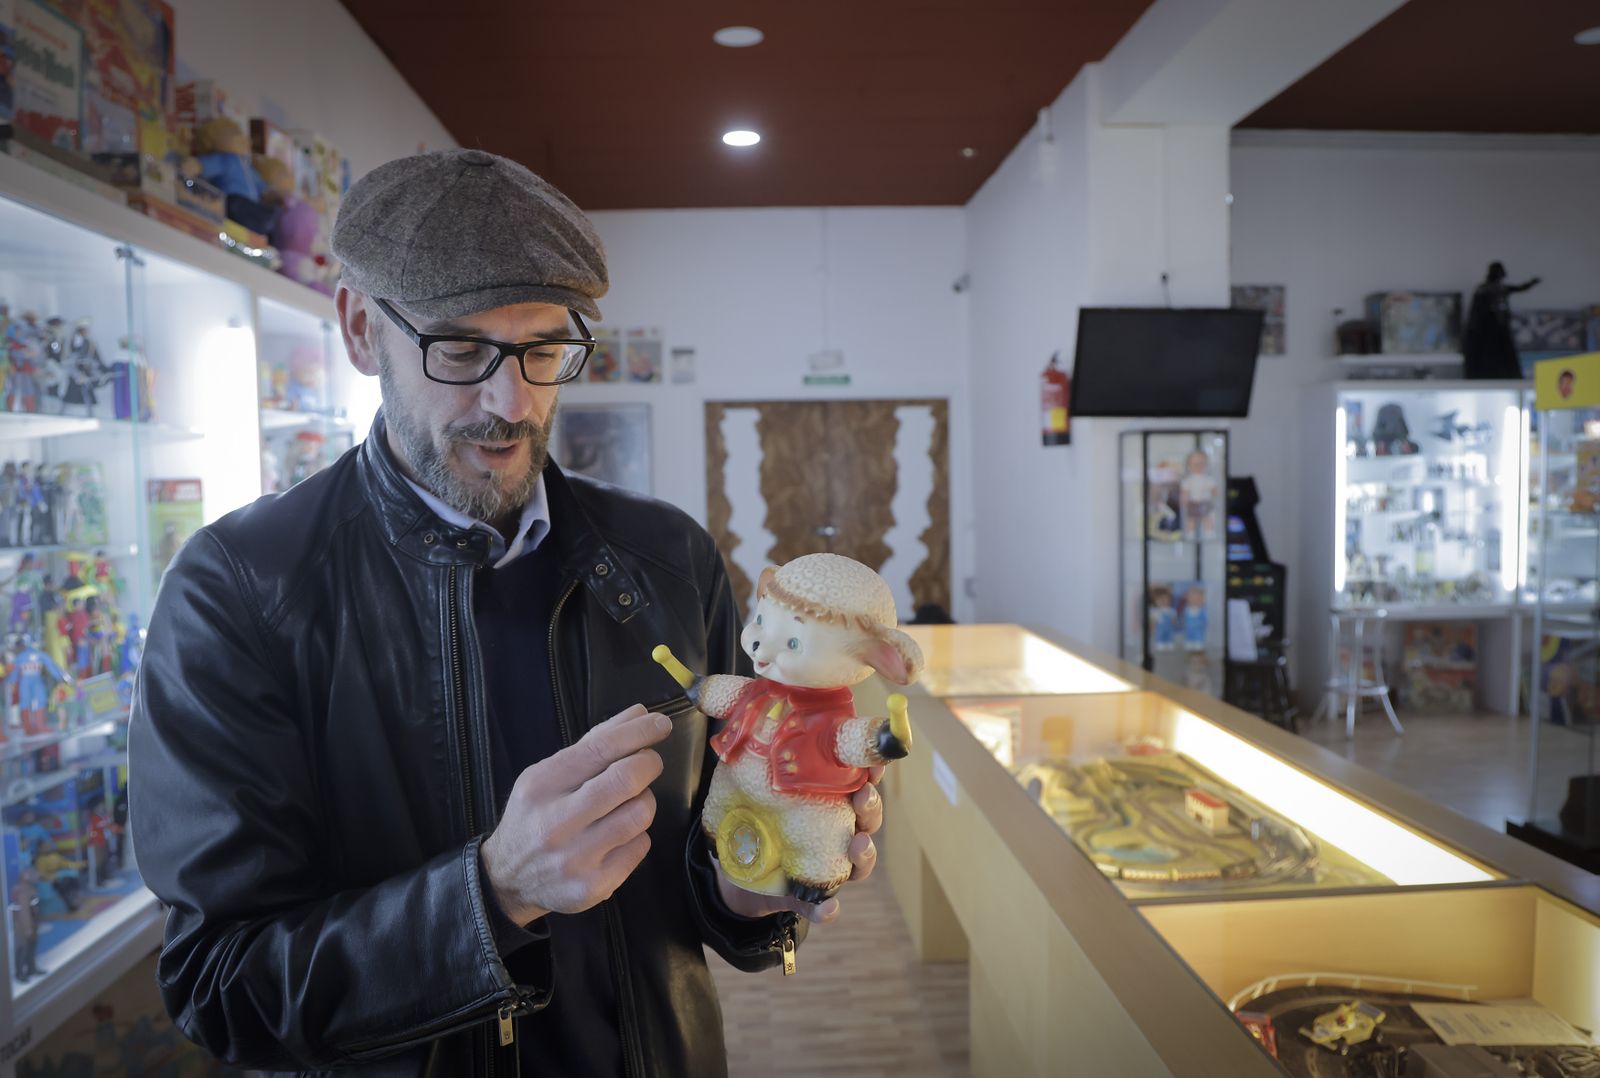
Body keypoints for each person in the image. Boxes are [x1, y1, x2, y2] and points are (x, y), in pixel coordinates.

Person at [129, 148, 886, 1076]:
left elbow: (694, 881)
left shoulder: (669, 559)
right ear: (361, 329)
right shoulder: (238, 593)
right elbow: (221, 985)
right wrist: (492, 896)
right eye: (460, 350)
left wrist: (750, 889)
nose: (512, 401)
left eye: (544, 349)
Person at [1462, 260, 1541, 380]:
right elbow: (1476, 313)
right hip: (1486, 334)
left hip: (1499, 331)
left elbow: (1519, 288)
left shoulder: (1499, 289)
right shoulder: (1484, 290)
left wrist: (1531, 283)